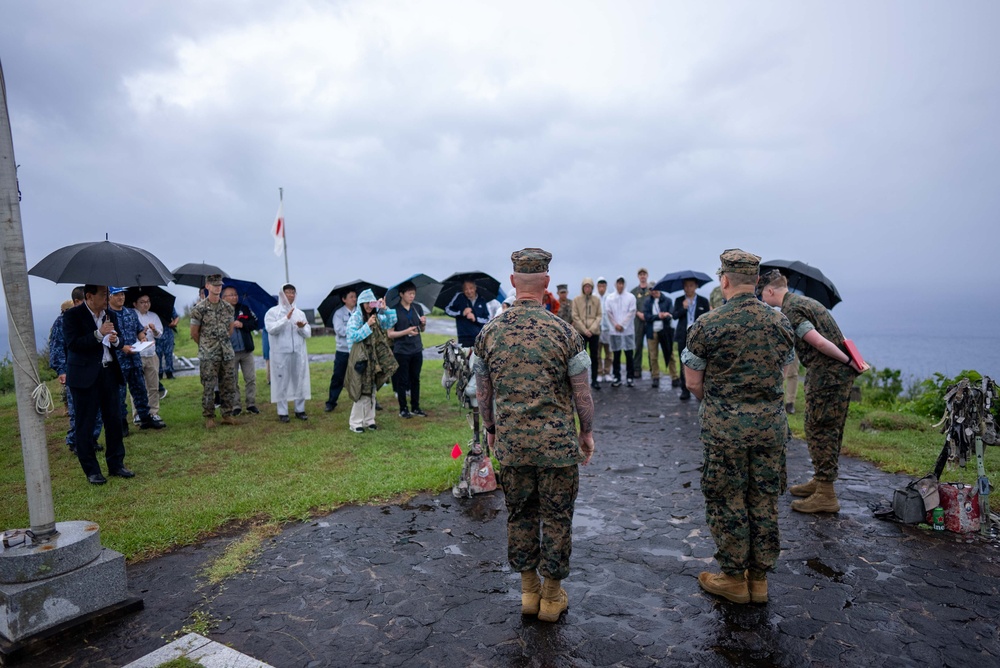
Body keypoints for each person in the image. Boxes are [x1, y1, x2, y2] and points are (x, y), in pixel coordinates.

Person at [474, 247, 595, 623]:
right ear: (545, 283)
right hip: (557, 446)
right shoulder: (566, 332)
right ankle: (552, 596)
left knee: (520, 514)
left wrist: (492, 430)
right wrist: (586, 433)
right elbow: (582, 394)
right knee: (557, 517)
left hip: (513, 445)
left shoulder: (489, 333)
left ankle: (529, 592)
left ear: (513, 281)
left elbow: (483, 392)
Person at [682, 249, 794, 604]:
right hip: (770, 429)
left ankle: (733, 578)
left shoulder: (707, 324)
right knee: (763, 499)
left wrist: (718, 405)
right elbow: (787, 366)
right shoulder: (780, 323)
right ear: (758, 281)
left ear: (724, 280)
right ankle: (758, 581)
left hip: (726, 429)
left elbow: (692, 383)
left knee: (727, 499)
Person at [758, 269, 867, 513]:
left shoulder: (792, 310)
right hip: (834, 375)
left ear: (771, 290)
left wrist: (849, 361)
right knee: (827, 427)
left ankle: (826, 494)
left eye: (762, 293)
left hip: (828, 375)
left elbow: (818, 341)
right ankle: (820, 481)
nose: (762, 299)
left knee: (820, 428)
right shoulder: (805, 301)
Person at [62, 285, 132, 485]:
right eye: (104, 295)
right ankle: (92, 471)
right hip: (84, 377)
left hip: (108, 372)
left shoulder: (110, 315)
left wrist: (116, 340)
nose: (107, 298)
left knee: (114, 420)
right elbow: (73, 344)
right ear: (89, 296)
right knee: (86, 424)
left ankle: (116, 464)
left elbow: (119, 343)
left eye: (108, 294)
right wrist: (99, 334)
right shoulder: (72, 316)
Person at [49, 287, 103, 453]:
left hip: (92, 368)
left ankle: (91, 439)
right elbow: (57, 347)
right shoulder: (64, 320)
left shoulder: (92, 318)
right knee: (77, 410)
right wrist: (61, 370)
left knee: (96, 410)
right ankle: (75, 441)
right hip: (74, 370)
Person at [108, 286, 164, 431]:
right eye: (117, 295)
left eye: (122, 294)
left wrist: (143, 338)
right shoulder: (106, 315)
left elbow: (139, 330)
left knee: (140, 390)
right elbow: (106, 338)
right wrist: (122, 347)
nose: (121, 297)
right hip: (118, 361)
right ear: (110, 297)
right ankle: (122, 424)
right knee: (120, 395)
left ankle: (145, 419)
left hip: (135, 358)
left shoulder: (130, 313)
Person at [346, 289, 398, 432]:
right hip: (361, 359)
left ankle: (369, 420)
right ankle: (355, 423)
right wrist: (367, 325)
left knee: (373, 389)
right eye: (366, 303)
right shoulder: (356, 317)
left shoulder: (376, 316)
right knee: (361, 390)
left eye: (371, 302)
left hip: (374, 359)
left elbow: (392, 321)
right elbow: (353, 337)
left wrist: (385, 309)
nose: (369, 305)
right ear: (361, 303)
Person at [190, 274, 238, 428]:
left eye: (219, 285)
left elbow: (230, 330)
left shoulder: (228, 308)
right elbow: (194, 333)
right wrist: (206, 345)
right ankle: (209, 417)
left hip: (226, 352)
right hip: (208, 354)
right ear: (207, 287)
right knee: (209, 386)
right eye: (214, 285)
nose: (218, 287)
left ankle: (227, 414)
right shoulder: (199, 309)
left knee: (229, 384)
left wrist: (221, 343)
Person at [264, 283, 312, 422]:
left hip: (298, 352)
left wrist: (301, 328)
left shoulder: (300, 313)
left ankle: (300, 409)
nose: (290, 295)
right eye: (287, 292)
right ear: (281, 295)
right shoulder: (273, 313)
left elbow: (307, 333)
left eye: (293, 292)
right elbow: (271, 329)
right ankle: (283, 411)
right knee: (281, 381)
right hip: (280, 353)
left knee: (299, 380)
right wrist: (286, 319)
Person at [387, 281, 427, 418]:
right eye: (409, 293)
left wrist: (423, 324)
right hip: (401, 351)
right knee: (402, 380)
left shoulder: (417, 308)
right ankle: (403, 408)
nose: (412, 296)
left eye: (414, 293)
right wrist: (406, 331)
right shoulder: (394, 310)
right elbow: (390, 334)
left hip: (416, 348)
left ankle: (416, 407)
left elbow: (422, 330)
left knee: (415, 379)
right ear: (401, 294)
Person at [222, 286, 259, 416]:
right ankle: (236, 406)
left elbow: (255, 323)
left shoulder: (244, 309)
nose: (234, 297)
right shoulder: (221, 312)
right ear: (224, 298)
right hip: (230, 352)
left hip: (246, 351)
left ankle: (251, 404)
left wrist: (243, 325)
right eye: (231, 295)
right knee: (233, 380)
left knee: (250, 378)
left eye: (236, 294)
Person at [672, 279, 710, 400]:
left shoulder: (703, 301)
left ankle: (701, 390)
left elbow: (707, 318)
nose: (688, 288)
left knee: (701, 362)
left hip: (698, 336)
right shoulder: (679, 300)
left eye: (691, 286)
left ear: (696, 286)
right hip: (683, 335)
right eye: (686, 286)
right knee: (683, 362)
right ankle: (684, 390)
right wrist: (683, 308)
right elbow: (674, 315)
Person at [133, 293, 166, 425]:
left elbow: (160, 334)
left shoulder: (153, 316)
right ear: (135, 304)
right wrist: (142, 331)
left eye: (147, 301)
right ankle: (137, 413)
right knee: (138, 386)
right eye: (142, 302)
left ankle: (153, 412)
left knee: (153, 385)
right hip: (137, 354)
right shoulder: (132, 315)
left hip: (151, 353)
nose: (145, 304)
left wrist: (154, 330)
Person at [325, 289, 358, 412]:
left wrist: (353, 330)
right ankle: (331, 402)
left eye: (355, 296)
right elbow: (339, 330)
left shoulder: (359, 313)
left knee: (362, 376)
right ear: (344, 299)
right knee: (338, 377)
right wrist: (355, 330)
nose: (354, 299)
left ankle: (371, 401)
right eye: (351, 296)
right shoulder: (338, 313)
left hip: (357, 349)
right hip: (343, 350)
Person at [604, 276, 637, 387]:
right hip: (615, 330)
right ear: (615, 284)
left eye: (622, 283)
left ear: (624, 285)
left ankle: (630, 377)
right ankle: (616, 377)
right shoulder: (610, 298)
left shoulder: (630, 297)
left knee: (629, 354)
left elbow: (632, 312)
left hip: (627, 330)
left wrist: (622, 325)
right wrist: (615, 325)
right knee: (616, 354)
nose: (620, 286)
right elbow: (608, 313)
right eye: (618, 283)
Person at [571, 277, 602, 390]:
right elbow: (575, 316)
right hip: (581, 332)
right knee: (581, 358)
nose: (587, 288)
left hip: (594, 332)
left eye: (589, 286)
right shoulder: (577, 300)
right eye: (585, 286)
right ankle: (582, 382)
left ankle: (594, 380)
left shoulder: (596, 300)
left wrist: (592, 329)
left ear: (592, 288)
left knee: (595, 356)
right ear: (583, 288)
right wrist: (584, 330)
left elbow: (599, 315)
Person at [642, 286, 674, 389]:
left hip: (665, 331)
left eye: (655, 289)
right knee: (653, 356)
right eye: (651, 290)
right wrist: (658, 316)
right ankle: (655, 376)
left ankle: (674, 377)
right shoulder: (647, 302)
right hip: (652, 331)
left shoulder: (667, 300)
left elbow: (672, 314)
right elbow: (646, 316)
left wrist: (666, 315)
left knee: (670, 354)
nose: (653, 292)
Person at [444, 280, 491, 347]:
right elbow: (447, 310)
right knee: (464, 357)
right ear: (463, 290)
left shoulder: (482, 300)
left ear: (475, 288)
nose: (469, 291)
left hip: (479, 337)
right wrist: (462, 313)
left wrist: (475, 318)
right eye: (466, 289)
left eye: (471, 288)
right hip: (464, 337)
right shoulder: (459, 297)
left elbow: (487, 319)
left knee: (478, 357)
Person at [630, 268, 651, 379]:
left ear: (647, 276)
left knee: (651, 346)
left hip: (649, 321)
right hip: (638, 321)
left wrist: (647, 315)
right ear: (638, 277)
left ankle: (653, 369)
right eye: (640, 274)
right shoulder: (634, 292)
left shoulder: (651, 290)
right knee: (638, 345)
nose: (642, 276)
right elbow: (631, 306)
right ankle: (637, 369)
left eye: (644, 274)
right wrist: (638, 313)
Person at [596, 277, 612, 381]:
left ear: (606, 286)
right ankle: (599, 372)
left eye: (603, 286)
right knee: (598, 352)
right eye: (600, 286)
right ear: (597, 287)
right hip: (597, 328)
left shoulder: (610, 297)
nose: (602, 288)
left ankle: (607, 372)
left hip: (608, 328)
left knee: (609, 353)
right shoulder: (594, 297)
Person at [157, 306, 180, 380]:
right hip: (157, 333)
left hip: (168, 331)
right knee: (157, 353)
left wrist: (174, 323)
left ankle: (169, 372)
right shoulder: (153, 307)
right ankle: (159, 373)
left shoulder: (169, 305)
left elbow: (176, 317)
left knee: (169, 353)